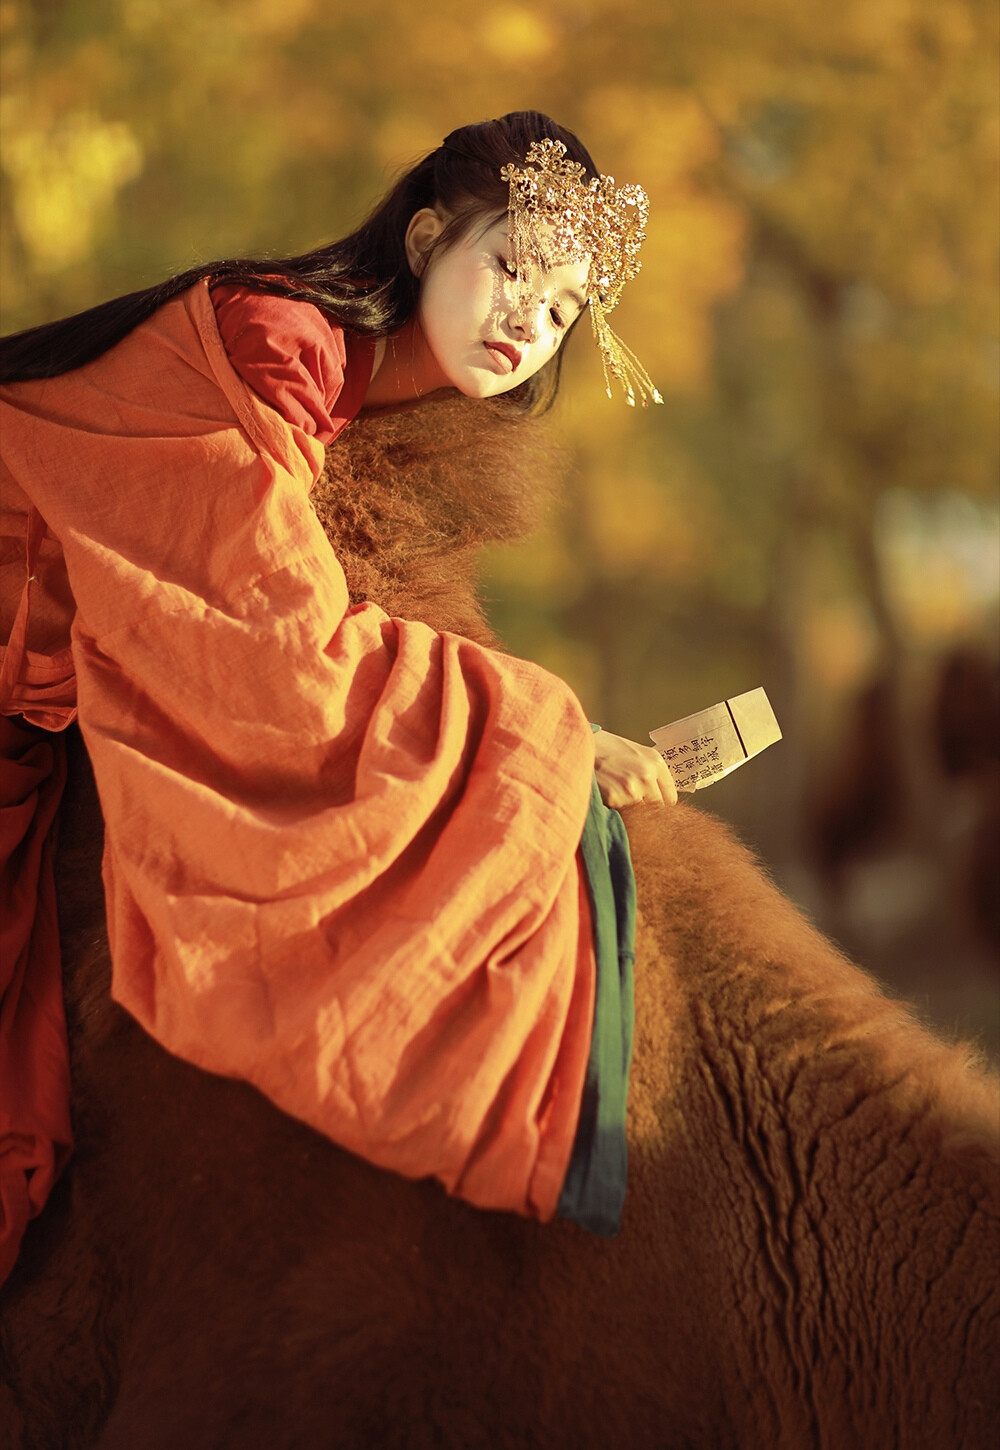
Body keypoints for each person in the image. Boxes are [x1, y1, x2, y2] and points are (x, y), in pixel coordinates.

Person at [0, 111, 676, 1283]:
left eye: (564, 307)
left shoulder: (387, 415)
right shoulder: (273, 342)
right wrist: (547, 738)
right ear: (424, 237)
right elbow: (275, 648)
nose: (531, 318)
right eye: (513, 266)